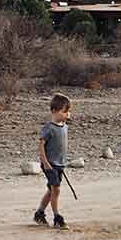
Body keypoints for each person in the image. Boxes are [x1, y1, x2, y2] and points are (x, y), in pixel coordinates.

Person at [34, 93, 73, 229]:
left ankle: (39, 213)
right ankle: (57, 217)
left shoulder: (65, 126)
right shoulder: (49, 128)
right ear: (54, 111)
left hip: (59, 164)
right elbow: (41, 144)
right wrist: (45, 162)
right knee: (56, 189)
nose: (68, 114)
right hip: (50, 164)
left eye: (68, 111)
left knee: (51, 191)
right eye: (65, 111)